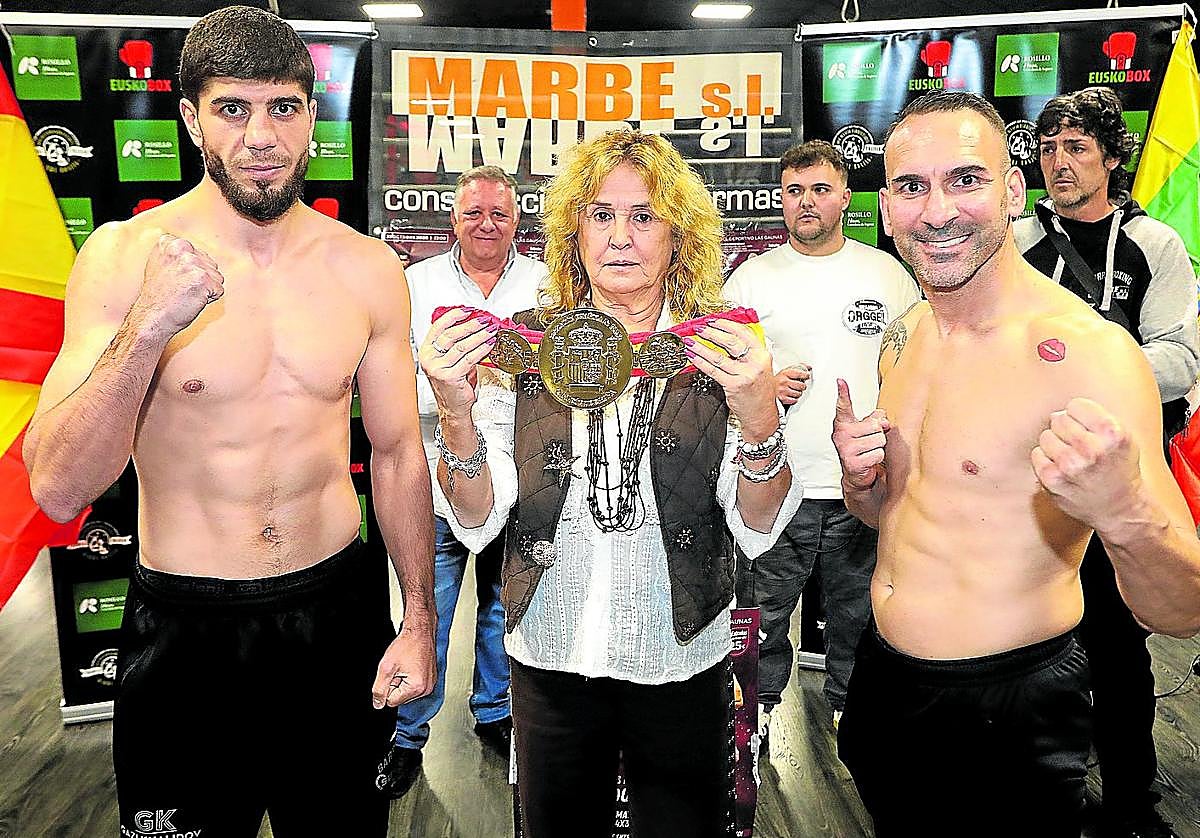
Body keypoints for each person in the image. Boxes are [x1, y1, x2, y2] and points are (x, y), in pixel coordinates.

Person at [21, 7, 435, 836]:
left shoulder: (367, 268)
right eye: (233, 109)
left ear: (311, 115)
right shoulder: (124, 256)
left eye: (283, 107)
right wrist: (147, 327)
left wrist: (418, 620)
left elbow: (395, 455)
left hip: (335, 614)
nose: (261, 136)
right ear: (190, 118)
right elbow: (59, 486)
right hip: (186, 632)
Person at [831, 90, 1200, 838]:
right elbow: (900, 517)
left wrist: (1122, 507)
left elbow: (1183, 610)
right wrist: (862, 485)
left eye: (965, 179)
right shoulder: (903, 336)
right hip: (884, 685)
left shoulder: (1091, 354)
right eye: (911, 186)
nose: (936, 211)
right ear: (887, 204)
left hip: (1008, 708)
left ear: (1011, 190)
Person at [421, 129, 802, 837]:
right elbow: (477, 515)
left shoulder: (717, 347)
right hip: (550, 653)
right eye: (601, 215)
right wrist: (455, 414)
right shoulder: (525, 342)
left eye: (643, 216)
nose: (620, 237)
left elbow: (754, 523)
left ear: (676, 234)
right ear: (573, 232)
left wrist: (758, 421)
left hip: (682, 654)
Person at [1014, 86, 1198, 838]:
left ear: (1113, 158)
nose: (1058, 163)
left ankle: (1132, 804)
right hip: (1029, 481)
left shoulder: (1154, 245)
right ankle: (1039, 797)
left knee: (1119, 652)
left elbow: (1181, 362)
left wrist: (1079, 368)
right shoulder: (1016, 238)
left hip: (1121, 477)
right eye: (1049, 149)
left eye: (1077, 148)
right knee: (1031, 644)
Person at [724, 140, 919, 744]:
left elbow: (915, 365)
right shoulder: (752, 278)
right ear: (779, 199)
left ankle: (856, 725)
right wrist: (763, 382)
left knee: (860, 619)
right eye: (793, 191)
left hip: (863, 483)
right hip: (777, 484)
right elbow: (717, 367)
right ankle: (747, 732)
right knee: (761, 620)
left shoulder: (886, 274)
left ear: (845, 197)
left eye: (819, 189)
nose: (805, 202)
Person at [377, 165, 546, 797]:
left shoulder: (545, 282)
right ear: (454, 217)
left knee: (506, 609)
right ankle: (406, 735)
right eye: (474, 212)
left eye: (499, 214)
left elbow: (563, 377)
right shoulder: (415, 284)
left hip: (523, 475)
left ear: (517, 218)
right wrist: (451, 385)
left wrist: (512, 375)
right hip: (434, 475)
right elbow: (390, 380)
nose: (486, 225)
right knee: (429, 610)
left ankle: (495, 713)